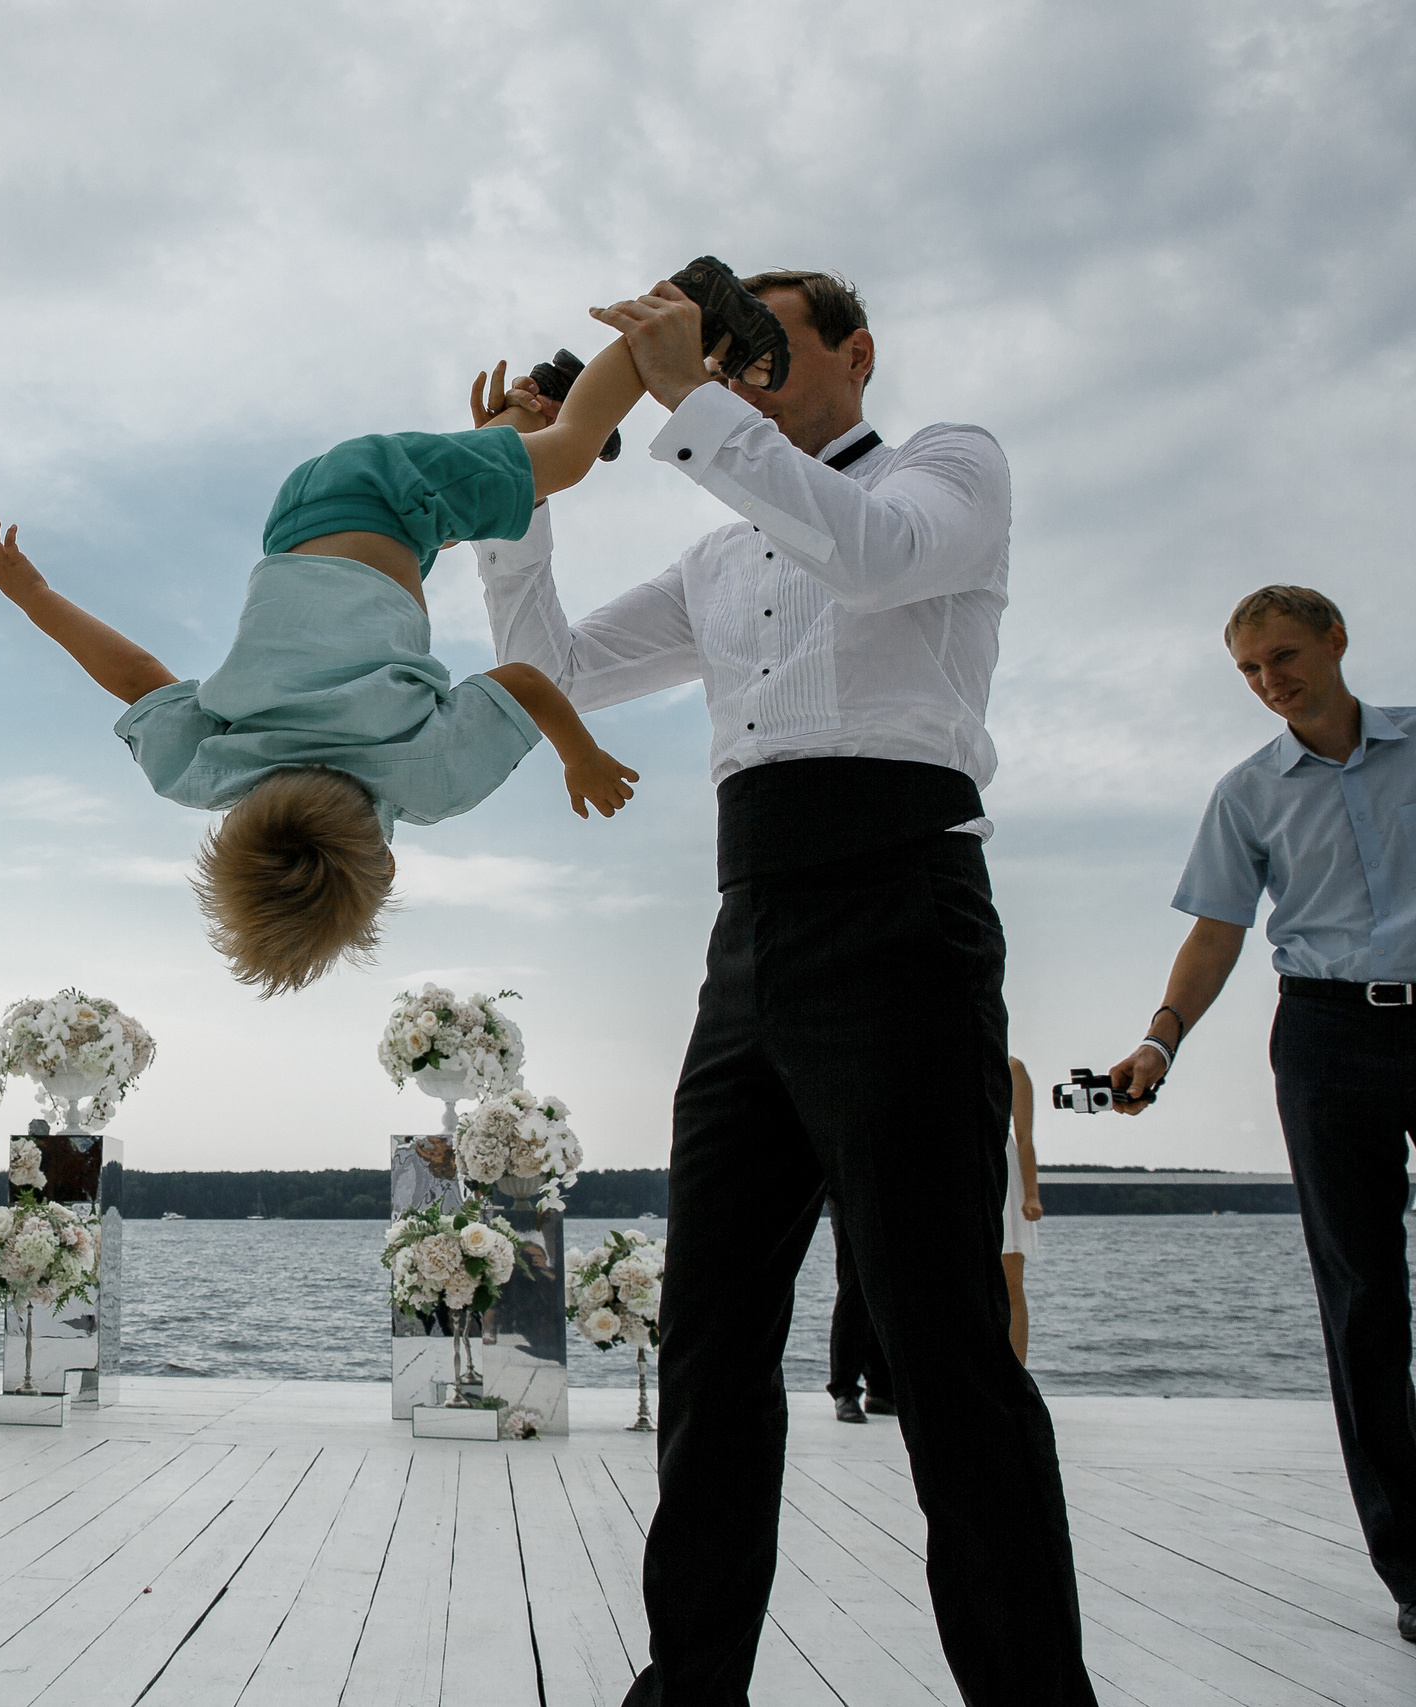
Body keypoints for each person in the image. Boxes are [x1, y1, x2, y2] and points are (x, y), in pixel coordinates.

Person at [476, 268, 1097, 1702]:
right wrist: (527, 488)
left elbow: (871, 555)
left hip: (902, 909)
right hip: (749, 930)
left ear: (856, 354)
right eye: (726, 350)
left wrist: (689, 396)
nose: (743, 372)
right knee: (708, 1335)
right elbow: (545, 666)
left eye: (766, 348)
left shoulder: (950, 467)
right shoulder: (718, 557)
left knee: (942, 1333)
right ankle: (688, 1685)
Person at [0, 267, 780, 996]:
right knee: (465, 511)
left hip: (388, 498)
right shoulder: (207, 768)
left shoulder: (425, 776)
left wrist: (582, 757)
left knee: (563, 458)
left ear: (382, 870)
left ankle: (678, 316)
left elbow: (530, 681)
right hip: (302, 512)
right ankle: (520, 413)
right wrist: (33, 594)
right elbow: (137, 672)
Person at [1104, 585, 1416, 1645]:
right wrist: (1160, 1038)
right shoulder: (1246, 793)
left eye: (1282, 656)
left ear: (1334, 640)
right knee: (1364, 1296)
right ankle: (1413, 1566)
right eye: (1247, 670)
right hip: (1327, 1041)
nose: (1268, 681)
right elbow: (1215, 936)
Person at [824, 1206, 893, 1424]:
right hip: (848, 1180)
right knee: (856, 1274)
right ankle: (845, 1389)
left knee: (884, 1276)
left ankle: (881, 1386)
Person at [1003, 1054, 1042, 1364]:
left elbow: (1025, 1137)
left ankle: (1016, 1375)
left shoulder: (1013, 1067)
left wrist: (1031, 1194)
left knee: (1011, 1283)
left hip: (1002, 1175)